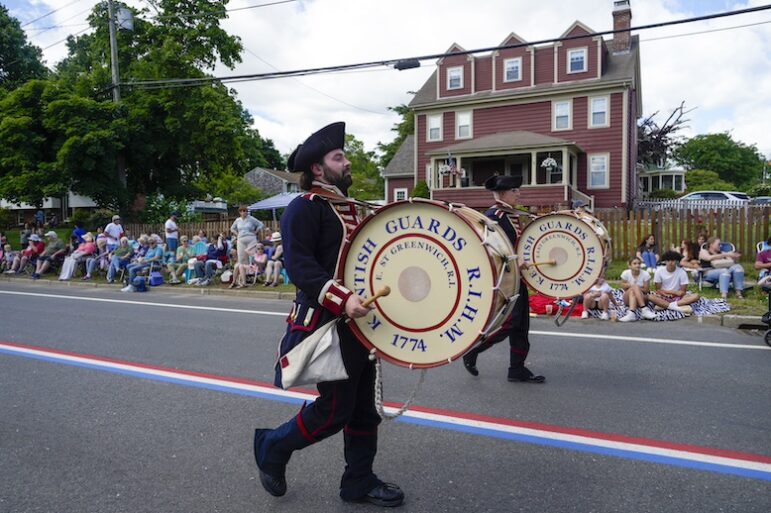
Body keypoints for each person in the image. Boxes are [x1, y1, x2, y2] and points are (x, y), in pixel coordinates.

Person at [253, 122, 404, 507]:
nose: (347, 161)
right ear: (318, 169)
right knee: (335, 410)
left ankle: (358, 482)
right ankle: (273, 445)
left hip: (361, 323)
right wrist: (342, 299)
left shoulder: (351, 208)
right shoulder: (303, 208)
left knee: (364, 409)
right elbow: (301, 267)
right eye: (339, 157)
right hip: (327, 320)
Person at [462, 175, 545, 383]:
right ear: (503, 193)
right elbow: (489, 249)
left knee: (521, 325)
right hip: (505, 280)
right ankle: (473, 351)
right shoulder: (494, 216)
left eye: (518, 190)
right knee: (509, 322)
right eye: (515, 191)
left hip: (517, 278)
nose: (519, 193)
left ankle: (516, 369)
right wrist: (513, 262)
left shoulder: (509, 215)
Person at [648, 250, 700, 315]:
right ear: (665, 261)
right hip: (663, 296)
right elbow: (658, 290)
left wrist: (671, 292)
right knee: (650, 296)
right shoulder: (659, 271)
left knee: (696, 296)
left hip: (678, 297)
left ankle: (670, 305)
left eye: (672, 260)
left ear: (676, 261)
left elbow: (682, 292)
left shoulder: (682, 272)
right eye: (668, 260)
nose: (670, 262)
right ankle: (675, 307)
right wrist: (666, 294)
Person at [617, 257, 656, 322]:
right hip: (628, 299)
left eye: (639, 263)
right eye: (634, 263)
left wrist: (636, 289)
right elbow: (623, 286)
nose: (637, 265)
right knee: (634, 288)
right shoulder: (626, 273)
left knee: (634, 290)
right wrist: (632, 286)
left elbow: (646, 290)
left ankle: (631, 313)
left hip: (642, 297)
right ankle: (644, 309)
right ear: (630, 266)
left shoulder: (645, 274)